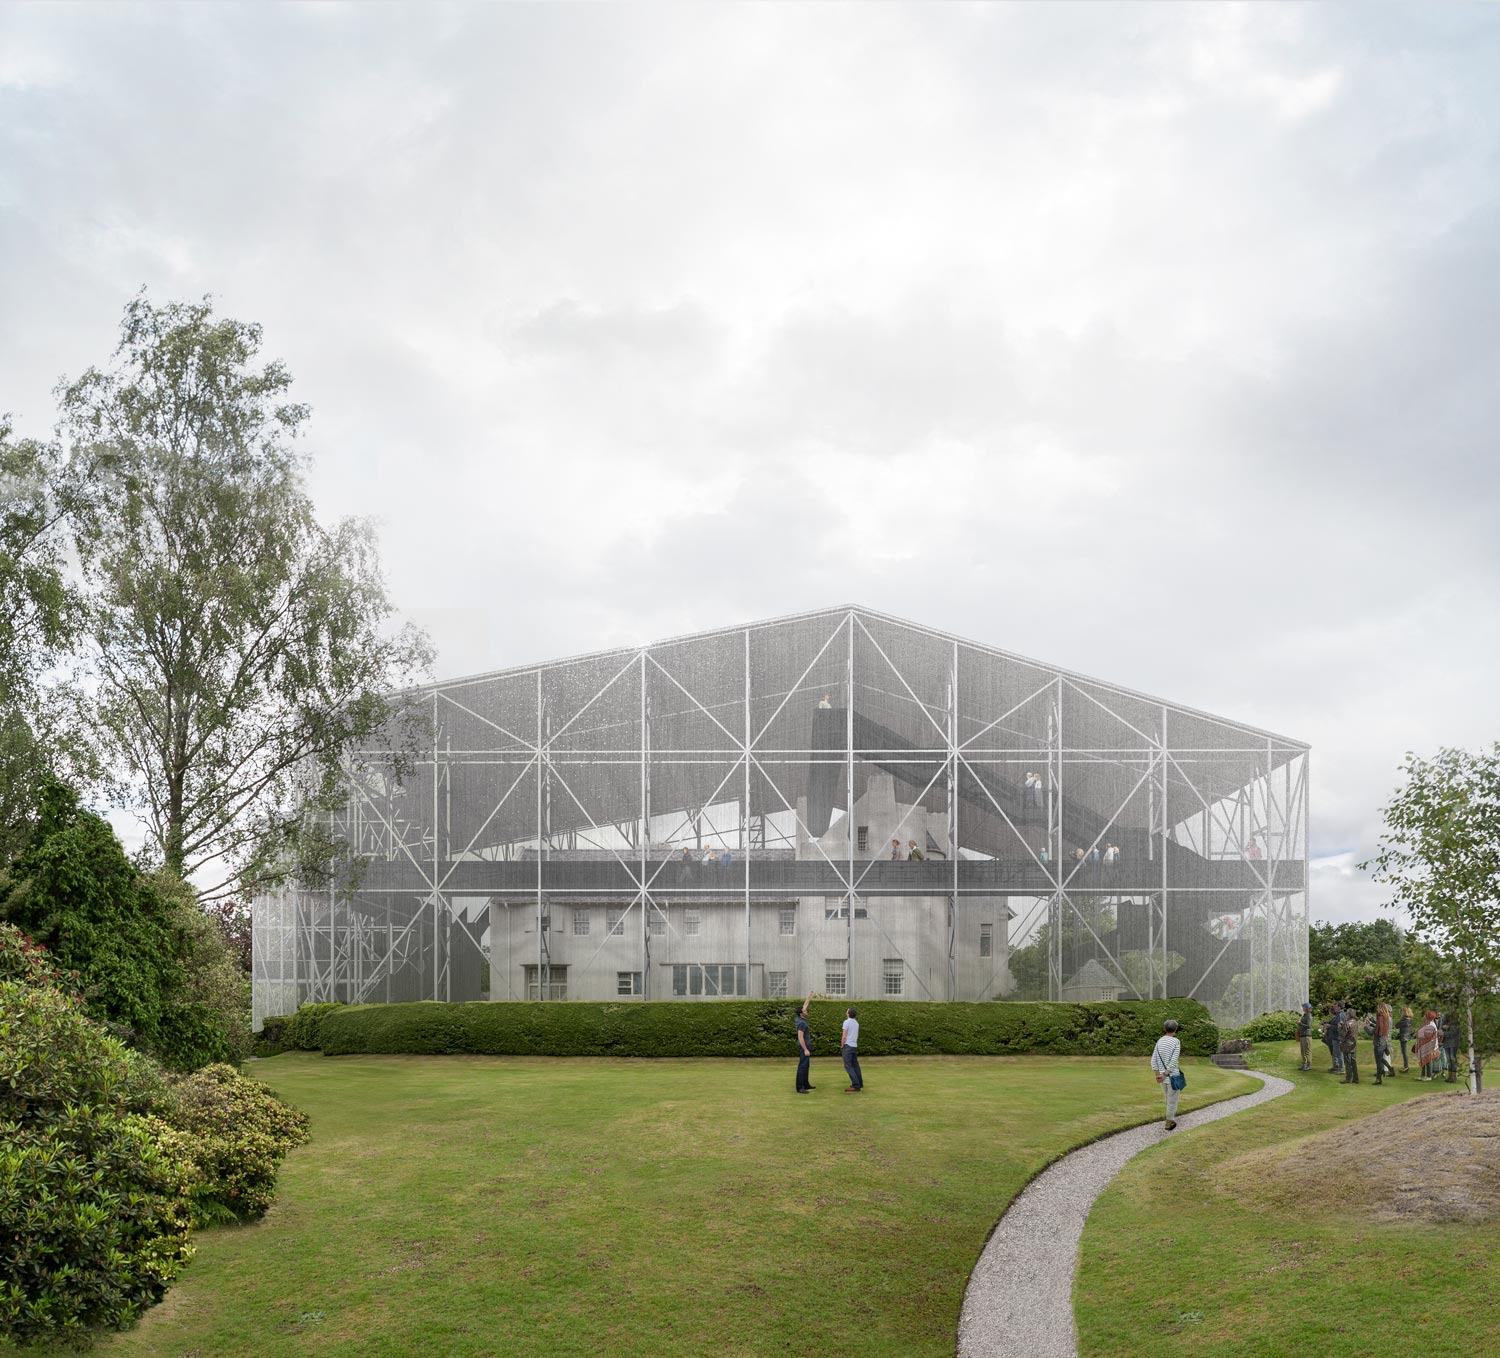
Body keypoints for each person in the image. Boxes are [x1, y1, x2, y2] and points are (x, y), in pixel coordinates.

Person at [1151, 1019, 1183, 1130]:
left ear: (1164, 1029)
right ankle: (1169, 1123)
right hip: (1172, 1076)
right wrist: (1164, 1074)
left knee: (1167, 1099)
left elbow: (1153, 1060)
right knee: (1172, 1100)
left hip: (1161, 1078)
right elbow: (1173, 1061)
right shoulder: (1176, 1042)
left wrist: (1158, 1075)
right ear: (1175, 1029)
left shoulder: (1159, 1041)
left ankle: (1169, 1117)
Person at [794, 996, 815, 1093]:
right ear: (802, 1014)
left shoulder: (799, 1016)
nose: (806, 1011)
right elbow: (800, 1037)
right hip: (804, 1046)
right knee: (802, 1066)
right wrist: (805, 1049)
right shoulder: (801, 1023)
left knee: (806, 1065)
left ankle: (806, 1084)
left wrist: (809, 996)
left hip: (806, 1046)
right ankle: (800, 1087)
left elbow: (805, 1004)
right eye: (805, 1011)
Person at [841, 1006, 863, 1092]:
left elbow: (844, 1035)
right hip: (854, 1046)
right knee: (855, 1066)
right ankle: (859, 1083)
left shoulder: (846, 1022)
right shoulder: (856, 1023)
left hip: (848, 1046)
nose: (846, 1012)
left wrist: (842, 1045)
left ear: (849, 1014)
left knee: (848, 1066)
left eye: (847, 1011)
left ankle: (856, 1086)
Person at [1414, 1010, 1440, 1080]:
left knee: (1428, 1060)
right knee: (1423, 1059)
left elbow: (1428, 1035)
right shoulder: (1427, 1024)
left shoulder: (1431, 1025)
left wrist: (1419, 1034)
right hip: (1425, 1045)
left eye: (1425, 1015)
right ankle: (1422, 1075)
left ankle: (1428, 1076)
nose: (1424, 1016)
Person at [1372, 1002, 1393, 1084]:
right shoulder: (1387, 1016)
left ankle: (1378, 1078)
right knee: (1380, 1059)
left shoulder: (1380, 1015)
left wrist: (1376, 1034)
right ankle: (1386, 1071)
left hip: (1379, 1040)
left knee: (1378, 1061)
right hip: (1384, 1040)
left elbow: (1380, 1028)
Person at [1339, 1005, 1360, 1084]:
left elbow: (1342, 1035)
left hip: (1347, 1045)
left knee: (1348, 1062)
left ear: (1349, 1014)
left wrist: (1340, 1027)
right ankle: (1355, 1078)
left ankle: (1348, 1078)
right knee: (1353, 1062)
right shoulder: (1356, 1022)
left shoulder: (1347, 1023)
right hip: (1353, 1045)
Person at [1442, 1011, 1463, 1084]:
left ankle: (1453, 1076)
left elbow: (1453, 1033)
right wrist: (1444, 1028)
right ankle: (1450, 1075)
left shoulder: (1456, 1023)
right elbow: (1443, 1026)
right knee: (1448, 1059)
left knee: (1452, 1058)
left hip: (1453, 1043)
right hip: (1447, 1042)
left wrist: (1444, 1032)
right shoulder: (1447, 1020)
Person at [1324, 1002, 1344, 1073]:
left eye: (1336, 1006)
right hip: (1335, 1037)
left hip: (1338, 1037)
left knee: (1339, 1053)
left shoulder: (1341, 1015)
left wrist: (1330, 1026)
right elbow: (1334, 1024)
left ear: (1339, 1007)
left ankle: (1341, 1068)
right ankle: (1336, 1067)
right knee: (1335, 1053)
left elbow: (1340, 1027)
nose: (1334, 1008)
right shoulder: (1338, 1015)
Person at [1296, 1002, 1313, 1071]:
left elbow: (1308, 1026)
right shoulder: (1304, 1015)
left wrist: (1300, 1023)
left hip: (1306, 1036)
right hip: (1302, 1035)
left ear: (1306, 1008)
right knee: (1303, 1051)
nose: (1302, 1008)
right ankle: (1304, 1064)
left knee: (1307, 1051)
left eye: (1303, 1007)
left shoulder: (1308, 1015)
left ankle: (1308, 1065)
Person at [1396, 1006, 1413, 1071]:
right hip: (1406, 1036)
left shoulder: (1404, 1019)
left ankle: (1406, 1066)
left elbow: (1397, 1025)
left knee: (1404, 1052)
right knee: (1404, 1052)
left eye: (1402, 1011)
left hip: (1403, 1037)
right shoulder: (1409, 1019)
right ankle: (1406, 1066)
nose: (1402, 1012)